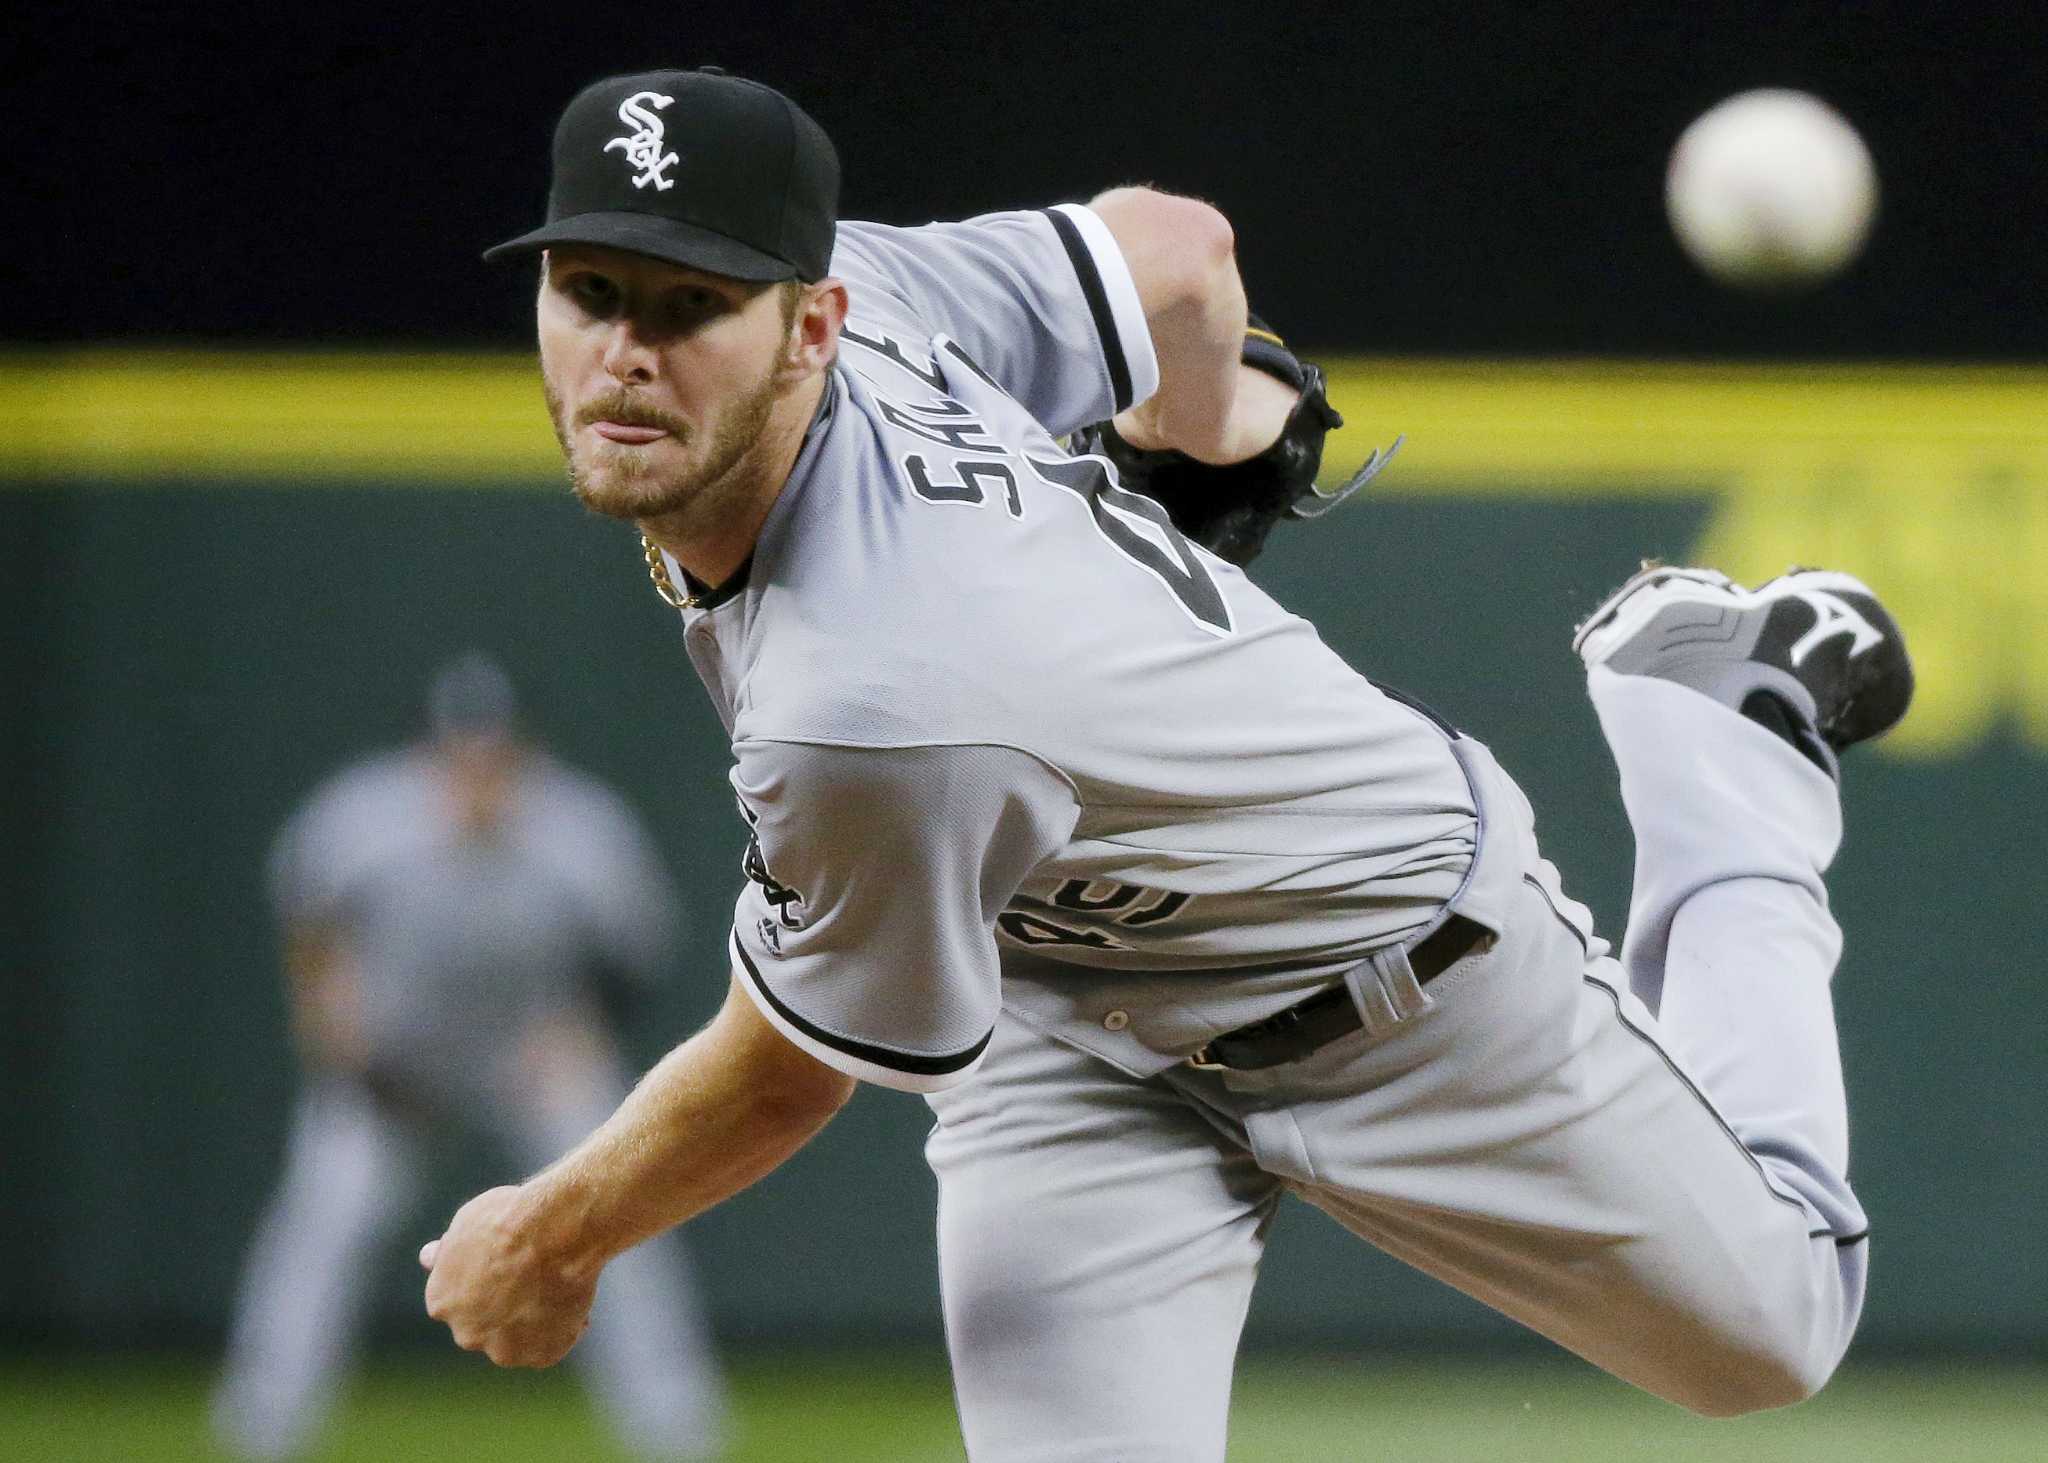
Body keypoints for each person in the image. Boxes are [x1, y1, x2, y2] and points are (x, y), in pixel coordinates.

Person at [419, 68, 1916, 1460]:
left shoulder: (872, 695)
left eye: (694, 303)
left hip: (1398, 983)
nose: (629, 350)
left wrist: (550, 1238)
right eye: (591, 290)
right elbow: (1183, 250)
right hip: (1066, 1014)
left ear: (810, 322)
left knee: (1771, 1339)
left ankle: (1722, 726)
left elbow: (784, 1071)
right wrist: (1199, 434)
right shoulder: (875, 314)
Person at [215, 654, 726, 1462]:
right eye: (460, 756)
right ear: (428, 756)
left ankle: (676, 1428)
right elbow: (309, 925)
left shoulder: (579, 829)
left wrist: (578, 1027)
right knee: (325, 1218)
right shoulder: (364, 821)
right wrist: (333, 1031)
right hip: (395, 1066)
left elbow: (635, 957)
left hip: (528, 1061)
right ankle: (263, 1423)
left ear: (527, 755)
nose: (478, 776)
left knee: (624, 1217)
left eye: (495, 756)